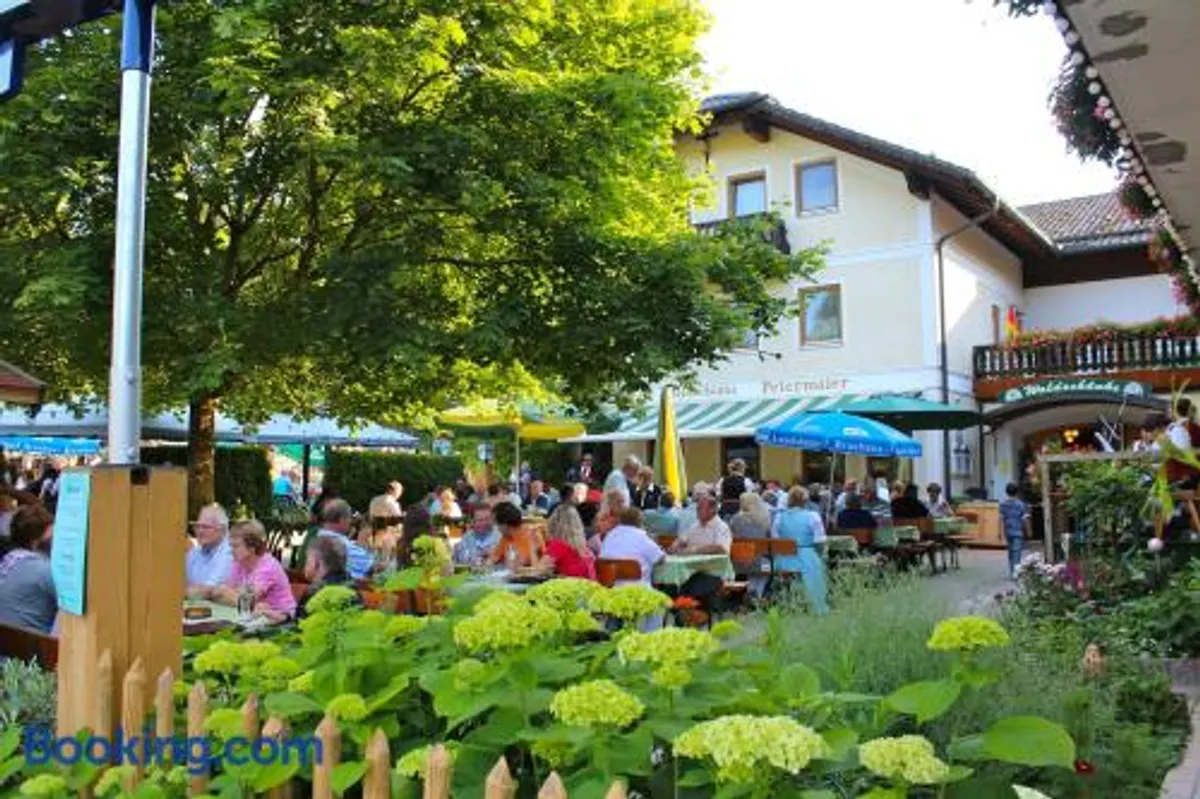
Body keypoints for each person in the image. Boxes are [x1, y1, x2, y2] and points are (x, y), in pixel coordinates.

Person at [204, 520, 297, 621]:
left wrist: (222, 592)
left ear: (252, 548)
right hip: (256, 618)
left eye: (235, 546)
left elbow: (246, 601)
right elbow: (220, 597)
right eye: (230, 545)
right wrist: (222, 593)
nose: (230, 550)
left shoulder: (268, 566)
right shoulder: (239, 563)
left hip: (282, 620)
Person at [0, 505, 56, 635]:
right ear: (35, 543)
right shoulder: (43, 570)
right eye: (52, 538)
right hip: (29, 652)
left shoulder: (9, 559)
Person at [774, 487, 829, 614]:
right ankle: (816, 605)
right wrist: (820, 554)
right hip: (806, 554)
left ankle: (790, 603)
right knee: (817, 563)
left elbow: (776, 539)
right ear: (805, 501)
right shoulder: (812, 516)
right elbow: (819, 541)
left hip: (785, 558)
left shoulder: (779, 517)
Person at [296, 534, 359, 618]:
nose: (305, 565)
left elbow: (299, 624)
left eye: (308, 560)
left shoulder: (315, 591)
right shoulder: (352, 586)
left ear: (315, 563)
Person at [598, 507, 665, 586]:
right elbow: (660, 559)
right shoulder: (641, 537)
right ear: (640, 522)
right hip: (638, 590)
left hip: (610, 587)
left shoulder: (610, 534)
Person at [316, 499, 374, 580]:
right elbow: (373, 565)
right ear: (342, 519)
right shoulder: (338, 543)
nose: (351, 522)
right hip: (348, 588)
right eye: (349, 518)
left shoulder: (320, 537)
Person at [185, 503, 234, 594]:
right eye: (197, 526)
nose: (200, 531)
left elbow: (209, 590)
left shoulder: (230, 551)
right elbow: (179, 581)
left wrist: (177, 593)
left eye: (205, 527)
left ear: (222, 530)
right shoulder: (196, 551)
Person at [540, 504, 596, 580]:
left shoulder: (559, 543)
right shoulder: (581, 544)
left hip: (574, 587)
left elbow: (539, 571)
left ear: (553, 523)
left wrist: (533, 545)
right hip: (588, 586)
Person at [490, 502, 544, 568]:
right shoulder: (505, 537)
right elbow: (493, 559)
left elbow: (525, 562)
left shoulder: (532, 534)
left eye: (497, 524)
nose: (496, 528)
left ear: (504, 524)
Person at [999, 482, 1030, 579]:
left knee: (1010, 552)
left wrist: (999, 532)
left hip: (1007, 531)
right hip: (1018, 531)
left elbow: (1001, 519)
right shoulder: (1021, 505)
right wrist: (1029, 530)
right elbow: (1025, 519)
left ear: (1006, 492)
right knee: (1017, 552)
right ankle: (1016, 573)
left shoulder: (1003, 504)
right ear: (1017, 492)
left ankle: (1012, 571)